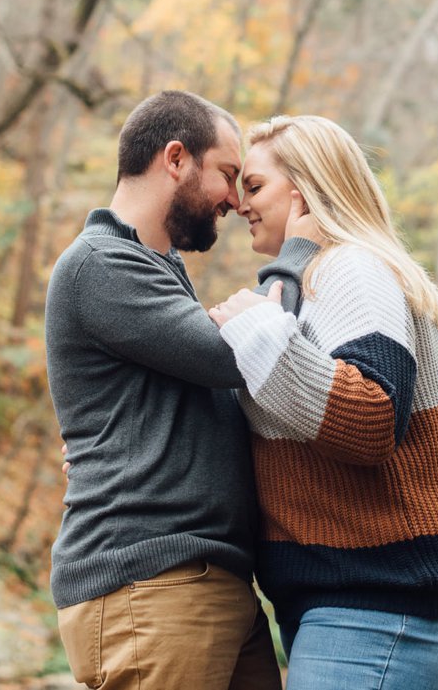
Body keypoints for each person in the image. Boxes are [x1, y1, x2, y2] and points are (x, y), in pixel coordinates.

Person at [209, 114, 438, 690]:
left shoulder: (352, 268)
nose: (238, 203)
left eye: (254, 186)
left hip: (397, 585)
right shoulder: (306, 283)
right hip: (351, 588)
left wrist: (254, 329)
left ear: (306, 192)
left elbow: (370, 417)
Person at [44, 90, 299, 690]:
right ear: (177, 158)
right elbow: (239, 353)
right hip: (151, 582)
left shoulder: (157, 270)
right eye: (228, 175)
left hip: (205, 581)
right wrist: (300, 253)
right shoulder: (100, 264)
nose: (235, 202)